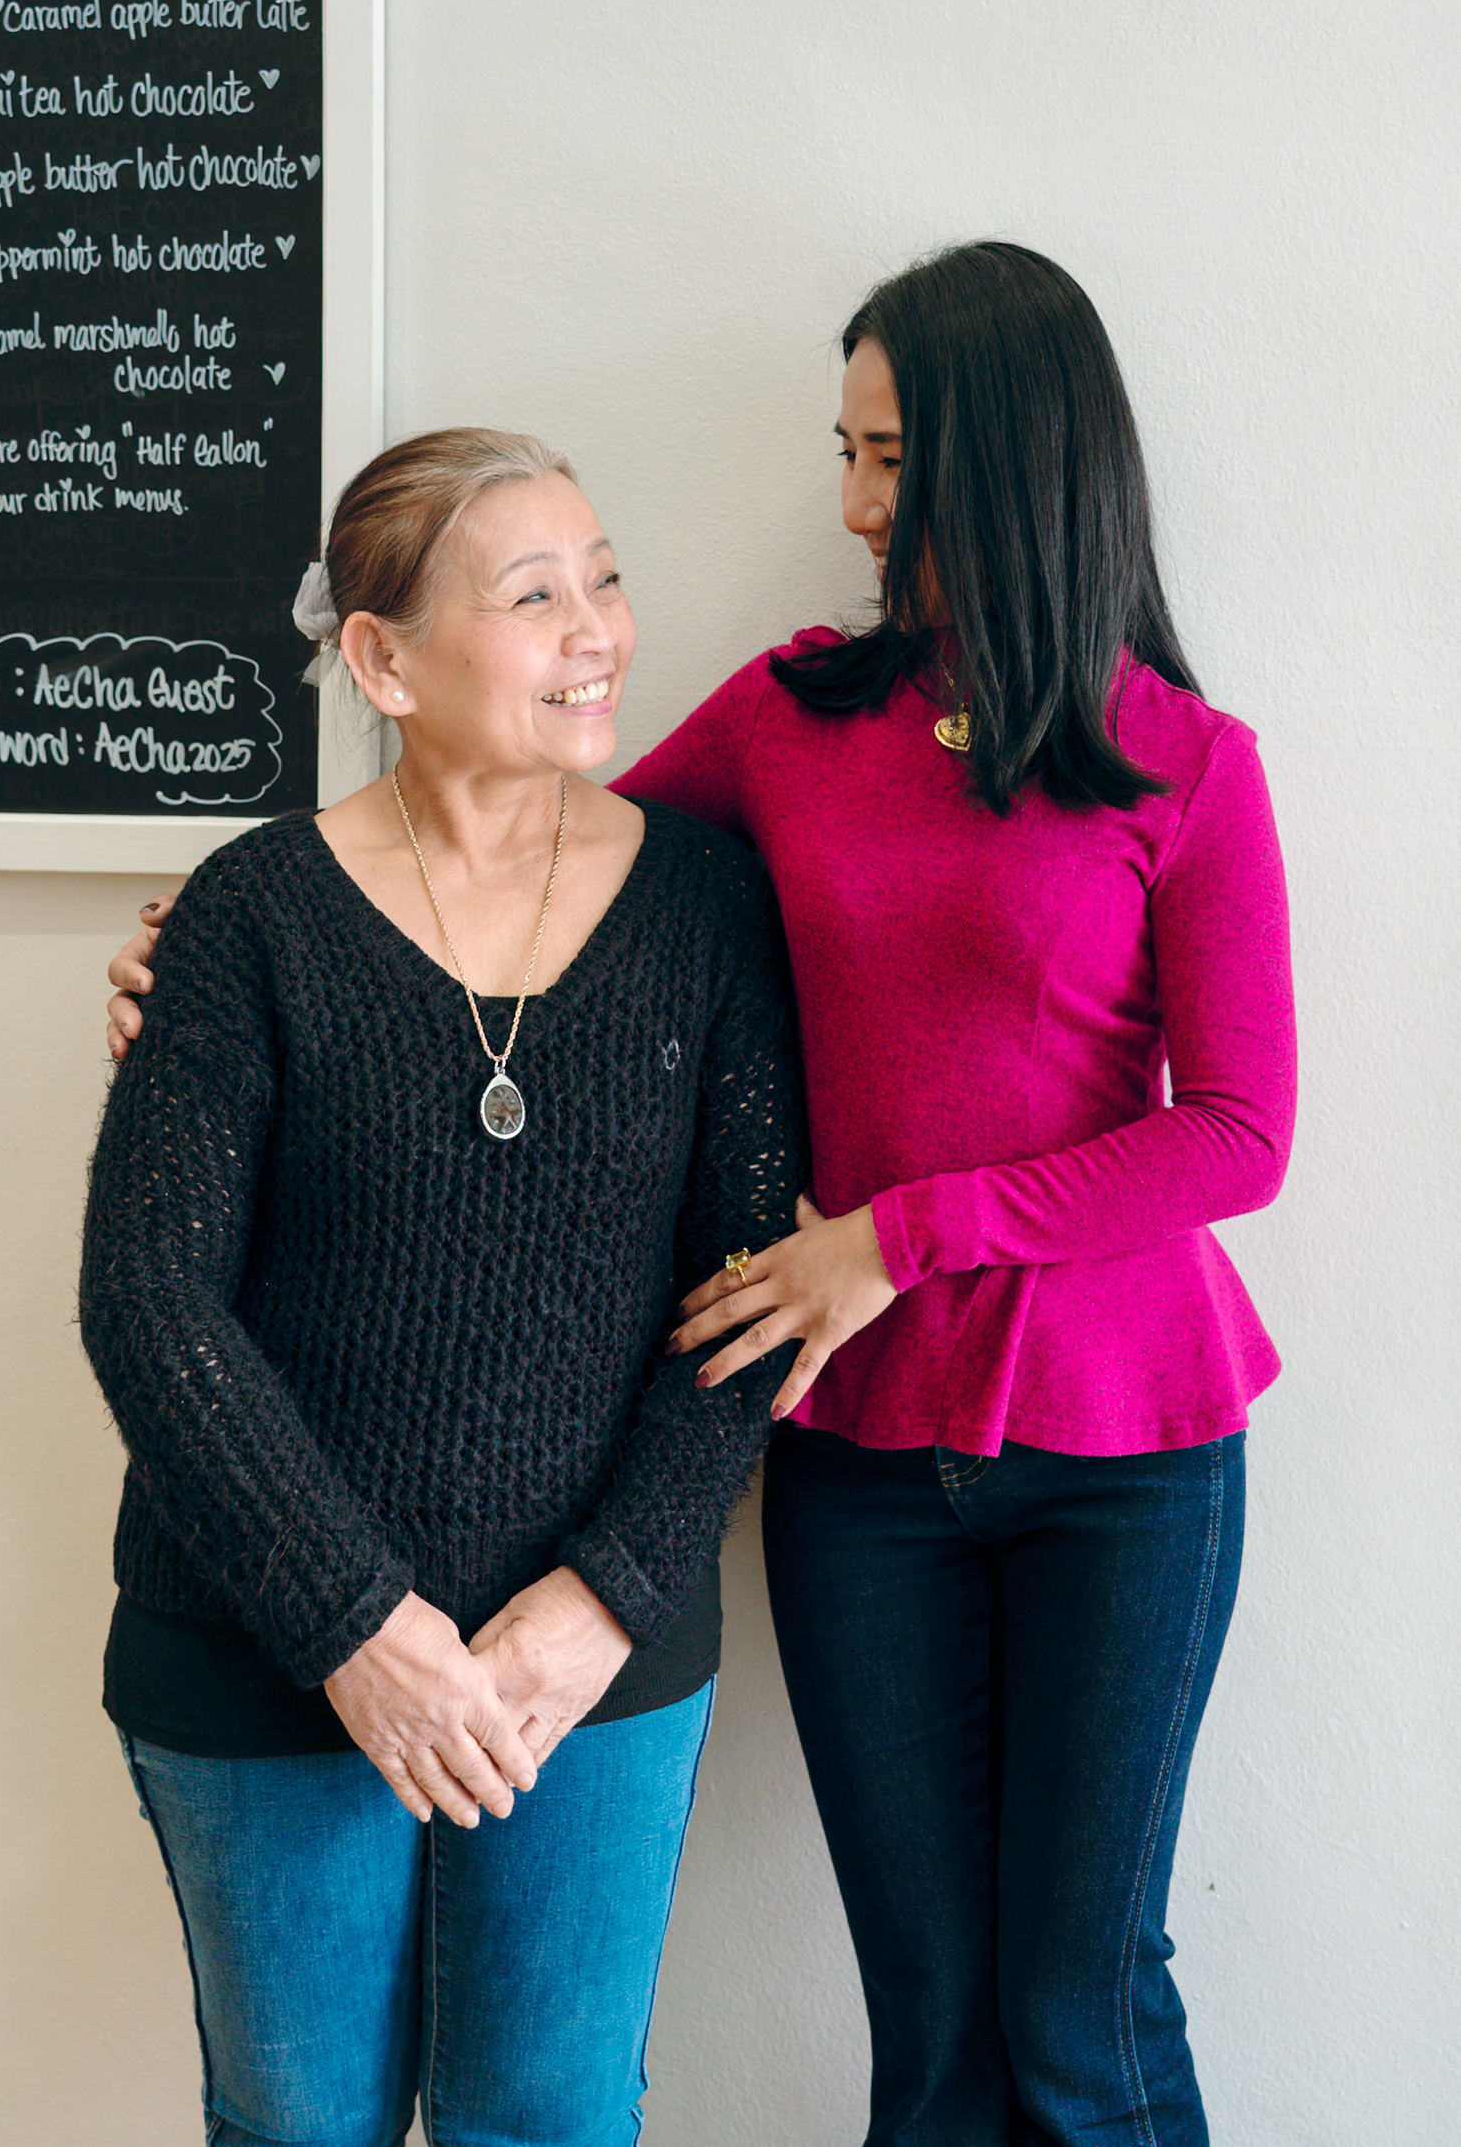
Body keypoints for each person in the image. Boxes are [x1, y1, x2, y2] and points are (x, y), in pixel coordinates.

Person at [107, 245, 1297, 2147]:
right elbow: (529, 855)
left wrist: (895, 1236)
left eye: (892, 456)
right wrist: (215, 954)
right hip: (856, 1449)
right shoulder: (787, 719)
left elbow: (1240, 1134)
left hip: (1122, 1437)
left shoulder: (1187, 764)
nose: (857, 504)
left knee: (1080, 2008)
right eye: (849, 452)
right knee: (925, 2015)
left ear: (1008, 456)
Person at [81, 426, 806, 2147]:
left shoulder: (709, 905)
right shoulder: (249, 915)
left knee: (548, 2118)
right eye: (534, 595)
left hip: (591, 1674)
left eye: (606, 579)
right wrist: (354, 1625)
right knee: (298, 2124)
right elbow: (149, 1303)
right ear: (384, 660)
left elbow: (751, 1295)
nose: (599, 630)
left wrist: (604, 1599)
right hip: (263, 1658)